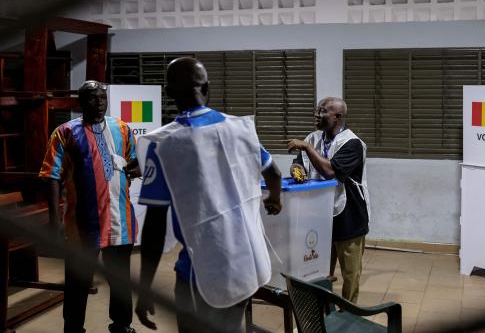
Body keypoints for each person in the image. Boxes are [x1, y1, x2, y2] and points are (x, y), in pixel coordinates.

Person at [134, 57, 282, 333]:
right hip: (246, 261)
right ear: (208, 88)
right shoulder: (240, 129)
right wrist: (275, 199)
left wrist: (144, 287)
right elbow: (273, 173)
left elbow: (154, 224)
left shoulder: (165, 145)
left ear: (168, 94)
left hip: (201, 270)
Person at [39, 80, 140, 333]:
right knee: (78, 280)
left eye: (103, 98)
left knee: (120, 279)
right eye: (93, 99)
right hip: (82, 224)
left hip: (120, 221)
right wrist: (55, 219)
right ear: (81, 103)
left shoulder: (122, 128)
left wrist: (134, 167)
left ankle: (121, 325)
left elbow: (133, 162)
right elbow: (51, 175)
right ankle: (73, 328)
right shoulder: (65, 132)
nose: (99, 103)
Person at [287, 97, 370, 303]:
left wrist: (306, 147)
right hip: (317, 214)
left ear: (337, 117)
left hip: (348, 217)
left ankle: (349, 312)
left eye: (322, 111)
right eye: (316, 110)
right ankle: (323, 310)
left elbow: (330, 171)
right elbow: (299, 164)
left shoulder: (352, 143)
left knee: (350, 273)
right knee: (318, 269)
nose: (316, 115)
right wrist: (296, 169)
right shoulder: (314, 138)